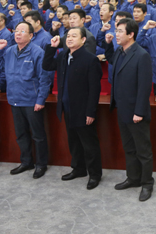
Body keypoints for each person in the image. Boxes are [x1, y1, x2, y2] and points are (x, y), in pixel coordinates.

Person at [43, 28, 103, 190]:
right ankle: (78, 169)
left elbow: (94, 89)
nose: (69, 38)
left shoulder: (90, 59)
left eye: (74, 36)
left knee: (89, 144)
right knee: (74, 141)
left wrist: (91, 112)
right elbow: (47, 65)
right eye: (68, 36)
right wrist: (52, 47)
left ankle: (95, 174)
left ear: (83, 40)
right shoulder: (63, 55)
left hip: (83, 110)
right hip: (67, 107)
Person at [100, 18, 154, 201]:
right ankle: (133, 178)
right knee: (129, 148)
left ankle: (147, 183)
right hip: (122, 108)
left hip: (136, 111)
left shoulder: (141, 55)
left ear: (131, 34)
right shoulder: (119, 51)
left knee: (143, 150)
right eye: (116, 31)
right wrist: (108, 44)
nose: (116, 34)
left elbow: (144, 87)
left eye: (120, 31)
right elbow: (111, 61)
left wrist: (139, 111)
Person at [0, 21, 53, 179]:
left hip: (31, 100)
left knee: (38, 135)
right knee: (21, 134)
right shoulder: (9, 50)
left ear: (31, 35)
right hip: (15, 99)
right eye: (16, 31)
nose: (18, 34)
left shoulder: (37, 52)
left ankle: (41, 164)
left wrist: (40, 100)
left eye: (22, 31)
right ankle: (26, 161)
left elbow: (44, 79)